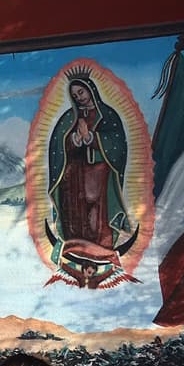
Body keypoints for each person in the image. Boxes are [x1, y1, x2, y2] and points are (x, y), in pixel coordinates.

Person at [46, 70, 131, 250]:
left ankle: (100, 248)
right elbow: (58, 145)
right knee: (75, 214)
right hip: (74, 175)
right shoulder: (69, 117)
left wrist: (91, 137)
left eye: (81, 92)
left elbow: (117, 143)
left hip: (98, 174)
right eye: (75, 95)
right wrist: (74, 140)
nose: (79, 97)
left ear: (90, 89)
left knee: (95, 216)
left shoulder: (108, 115)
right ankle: (76, 247)